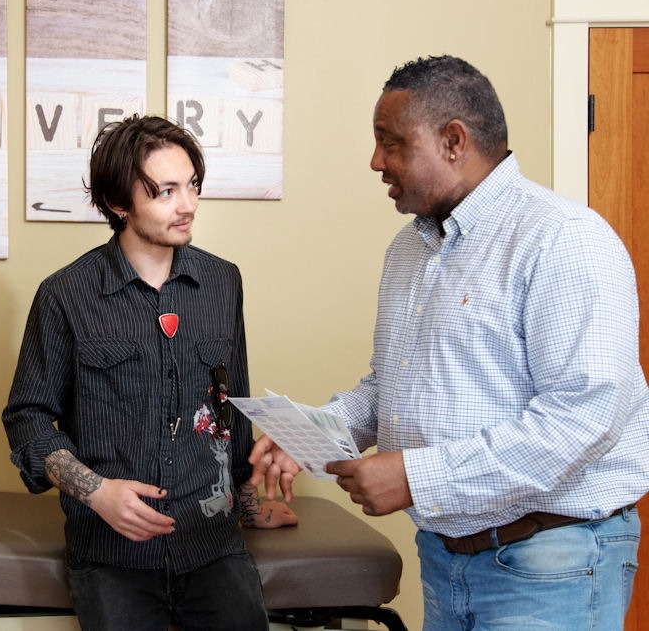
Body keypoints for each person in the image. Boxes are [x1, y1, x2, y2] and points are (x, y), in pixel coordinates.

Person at [250, 55, 649, 630]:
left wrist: (415, 477)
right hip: (446, 558)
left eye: (390, 143)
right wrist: (309, 435)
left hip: (550, 565)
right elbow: (392, 386)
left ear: (453, 141)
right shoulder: (409, 251)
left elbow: (580, 423)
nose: (375, 161)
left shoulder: (563, 241)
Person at [3, 114, 297, 631]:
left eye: (192, 186)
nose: (187, 206)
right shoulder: (65, 295)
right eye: (164, 192)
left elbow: (231, 406)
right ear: (120, 204)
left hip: (212, 546)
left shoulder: (223, 282)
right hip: (110, 553)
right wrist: (97, 491)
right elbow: (26, 420)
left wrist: (250, 502)